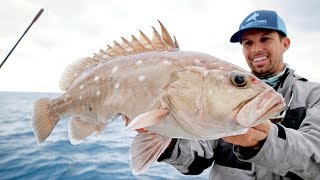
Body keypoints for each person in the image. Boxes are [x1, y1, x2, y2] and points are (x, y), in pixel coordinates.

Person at [157, 10, 320, 179]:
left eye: (265, 39)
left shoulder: (315, 95)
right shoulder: (223, 97)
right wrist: (166, 140)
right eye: (248, 43)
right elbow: (196, 162)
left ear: (285, 43)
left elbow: (317, 164)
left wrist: (263, 141)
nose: (256, 49)